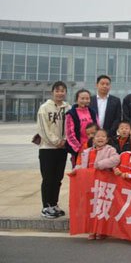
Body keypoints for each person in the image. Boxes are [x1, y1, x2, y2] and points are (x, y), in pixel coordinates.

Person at [69, 128, 119, 240]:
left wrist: (100, 164)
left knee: (101, 207)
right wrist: (75, 171)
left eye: (103, 136)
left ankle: (101, 230)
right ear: (93, 139)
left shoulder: (110, 150)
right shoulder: (86, 152)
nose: (100, 138)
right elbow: (81, 165)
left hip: (103, 183)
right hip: (89, 183)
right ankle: (92, 229)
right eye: (98, 136)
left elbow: (116, 159)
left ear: (107, 140)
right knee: (90, 207)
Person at [37, 81, 70, 219]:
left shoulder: (68, 108)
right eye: (57, 91)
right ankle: (46, 206)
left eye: (62, 91)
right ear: (52, 92)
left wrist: (65, 141)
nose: (60, 93)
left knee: (58, 178)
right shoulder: (44, 108)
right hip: (48, 149)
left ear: (65, 92)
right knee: (48, 178)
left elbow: (70, 126)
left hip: (62, 149)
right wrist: (57, 141)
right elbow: (43, 129)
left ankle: (54, 204)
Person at [65, 89, 98, 166]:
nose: (85, 101)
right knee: (78, 170)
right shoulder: (71, 114)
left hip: (93, 147)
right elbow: (70, 134)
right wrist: (79, 148)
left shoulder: (92, 112)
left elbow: (97, 128)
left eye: (87, 98)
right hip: (79, 149)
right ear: (77, 99)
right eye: (82, 98)